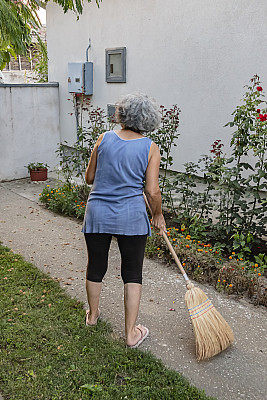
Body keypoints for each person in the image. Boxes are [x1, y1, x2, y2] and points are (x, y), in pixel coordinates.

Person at [82, 92, 166, 348]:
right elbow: (151, 191)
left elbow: (89, 178)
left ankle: (93, 316)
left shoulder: (104, 138)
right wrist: (158, 215)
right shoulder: (150, 148)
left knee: (96, 265)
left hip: (98, 213)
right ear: (149, 120)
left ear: (122, 114)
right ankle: (130, 335)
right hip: (131, 217)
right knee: (132, 272)